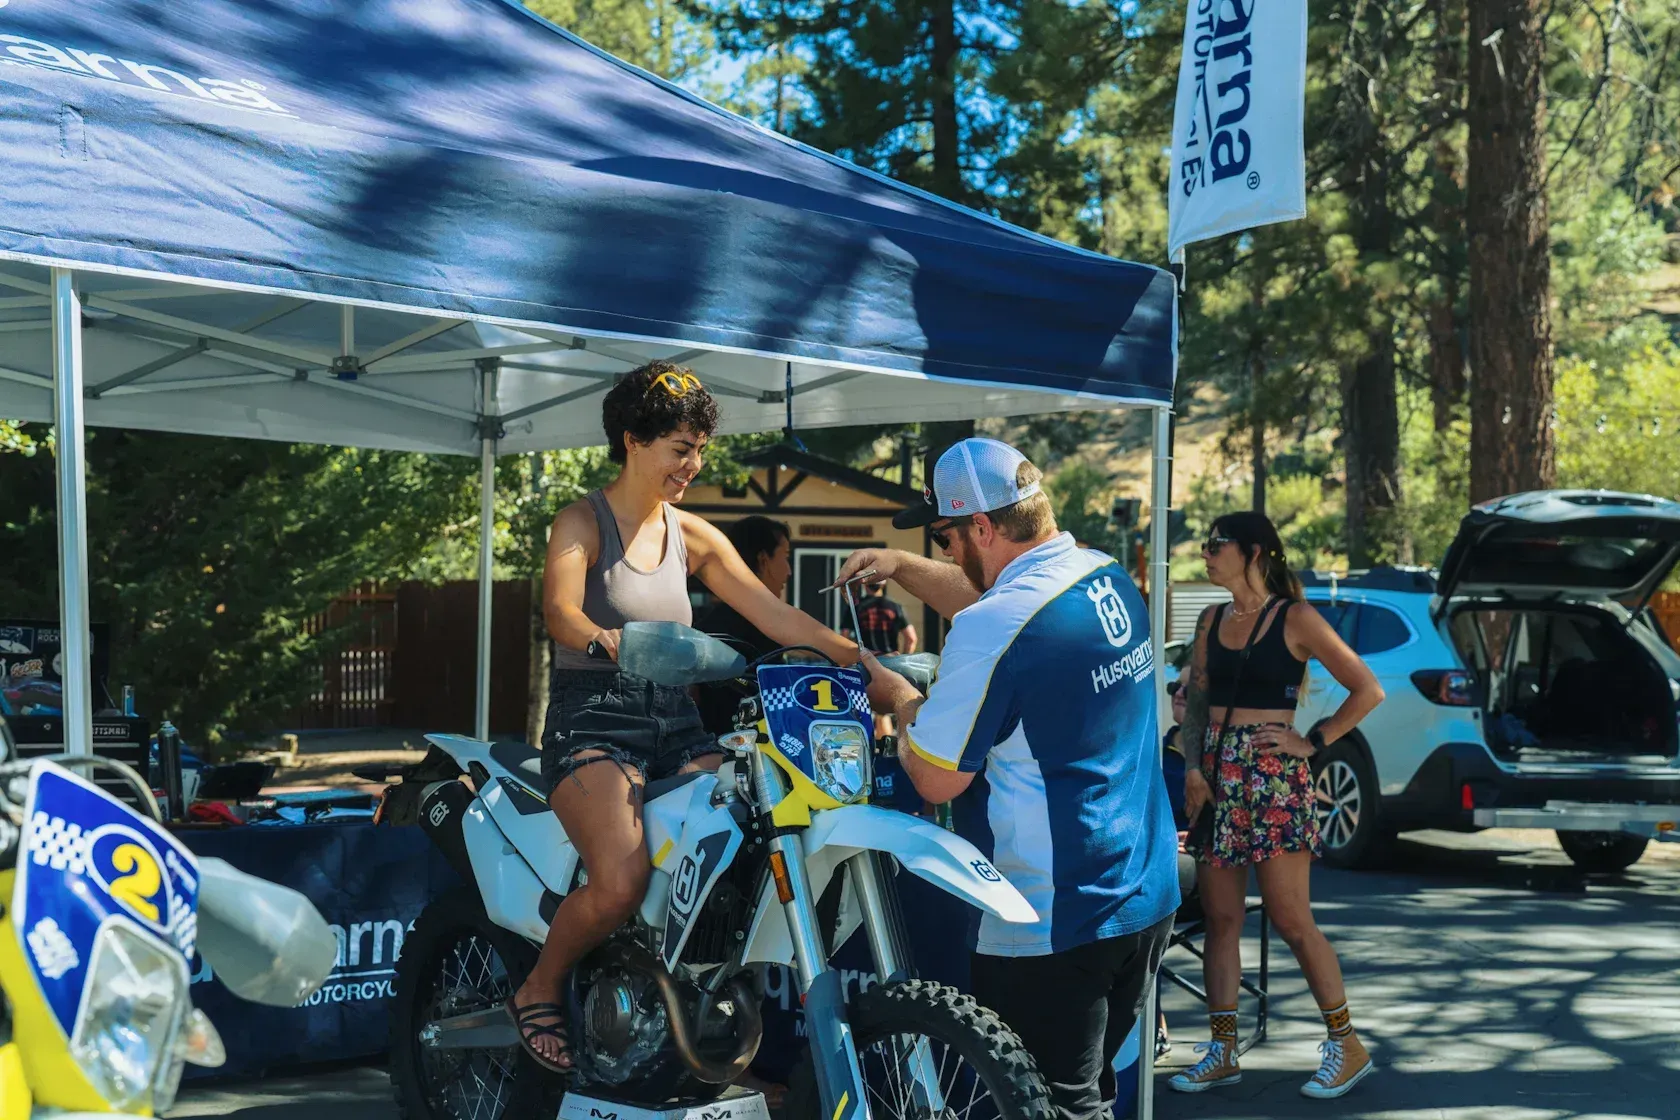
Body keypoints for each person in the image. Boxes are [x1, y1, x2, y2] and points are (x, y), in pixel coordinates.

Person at [509, 362, 859, 1073]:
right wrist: (599, 636)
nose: (692, 465)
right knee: (619, 883)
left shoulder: (692, 534)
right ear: (634, 440)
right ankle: (539, 985)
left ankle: (667, 993)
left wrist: (856, 660)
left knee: (736, 843)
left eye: (699, 448)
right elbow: (560, 608)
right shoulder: (582, 521)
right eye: (679, 448)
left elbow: (773, 613)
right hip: (595, 720)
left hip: (677, 720)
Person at [849, 437, 1180, 1120]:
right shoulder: (1103, 575)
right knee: (1088, 1096)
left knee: (1049, 1108)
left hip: (1051, 916)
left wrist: (902, 700)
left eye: (943, 536)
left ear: (981, 527)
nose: (943, 552)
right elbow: (1005, 602)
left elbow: (936, 777)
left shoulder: (994, 626)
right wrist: (904, 565)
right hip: (1144, 893)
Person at [1169, 511, 1385, 1100]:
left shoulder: (1297, 618)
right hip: (1215, 776)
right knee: (1221, 919)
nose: (1207, 553)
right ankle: (1222, 1050)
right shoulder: (1211, 618)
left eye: (1218, 544)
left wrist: (1311, 742)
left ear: (1255, 551)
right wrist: (1192, 768)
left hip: (1272, 779)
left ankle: (1347, 1045)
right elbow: (1195, 706)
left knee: (1291, 919)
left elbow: (1367, 689)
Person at [694, 516, 791, 732]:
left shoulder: (705, 624)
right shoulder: (769, 624)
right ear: (764, 559)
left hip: (708, 745)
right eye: (785, 557)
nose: (789, 571)